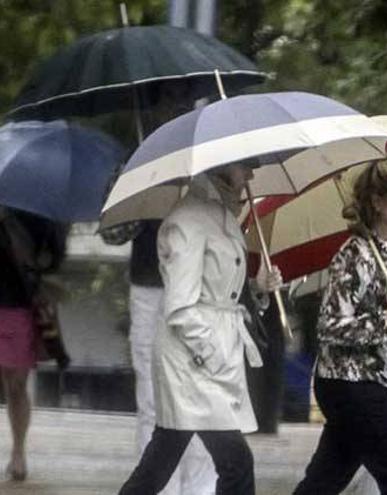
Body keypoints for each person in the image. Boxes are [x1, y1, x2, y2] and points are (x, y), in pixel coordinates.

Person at [118, 163, 282, 495]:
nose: (251, 176)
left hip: (207, 357)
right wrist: (211, 351)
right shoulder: (189, 219)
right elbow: (181, 304)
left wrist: (258, 286)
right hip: (193, 360)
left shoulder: (219, 214)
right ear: (221, 167)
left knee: (163, 458)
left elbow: (219, 290)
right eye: (245, 167)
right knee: (235, 463)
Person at [101, 80, 221, 494]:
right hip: (151, 289)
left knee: (203, 398)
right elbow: (112, 232)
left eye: (183, 103)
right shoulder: (135, 162)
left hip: (202, 293)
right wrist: (140, 192)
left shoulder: (212, 162)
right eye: (166, 103)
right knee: (153, 398)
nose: (174, 110)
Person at [294, 158, 387, 495]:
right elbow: (329, 327)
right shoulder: (355, 256)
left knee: (325, 481)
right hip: (351, 383)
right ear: (378, 203)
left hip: (386, 384)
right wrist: (385, 318)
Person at [0, 206, 67, 481]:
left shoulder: (36, 210)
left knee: (15, 384)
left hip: (18, 304)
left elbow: (54, 256)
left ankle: (18, 452)